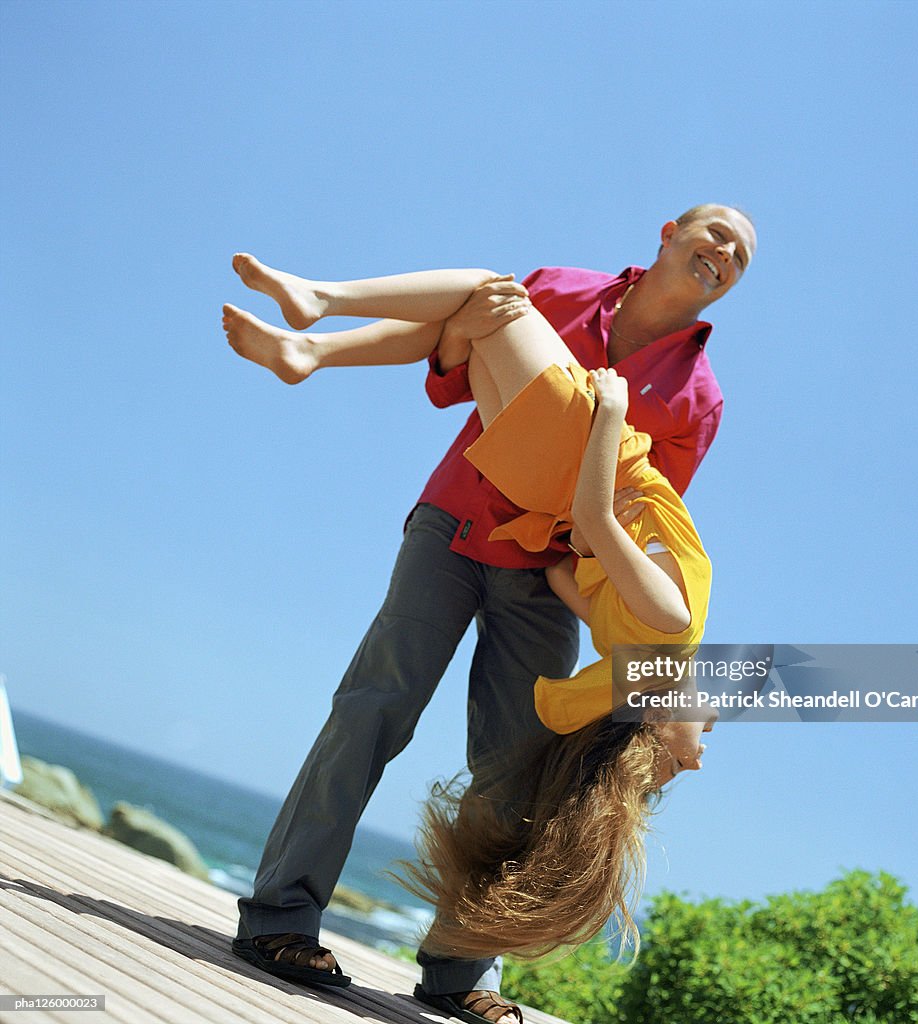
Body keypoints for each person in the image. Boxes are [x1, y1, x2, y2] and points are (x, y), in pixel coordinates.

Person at [224, 206, 756, 1024]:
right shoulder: (560, 290)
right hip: (456, 523)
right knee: (370, 712)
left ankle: (460, 972)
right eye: (715, 232)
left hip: (551, 572)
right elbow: (456, 355)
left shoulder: (698, 397)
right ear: (668, 231)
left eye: (740, 254)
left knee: (516, 766)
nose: (723, 252)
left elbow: (639, 525)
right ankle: (280, 922)